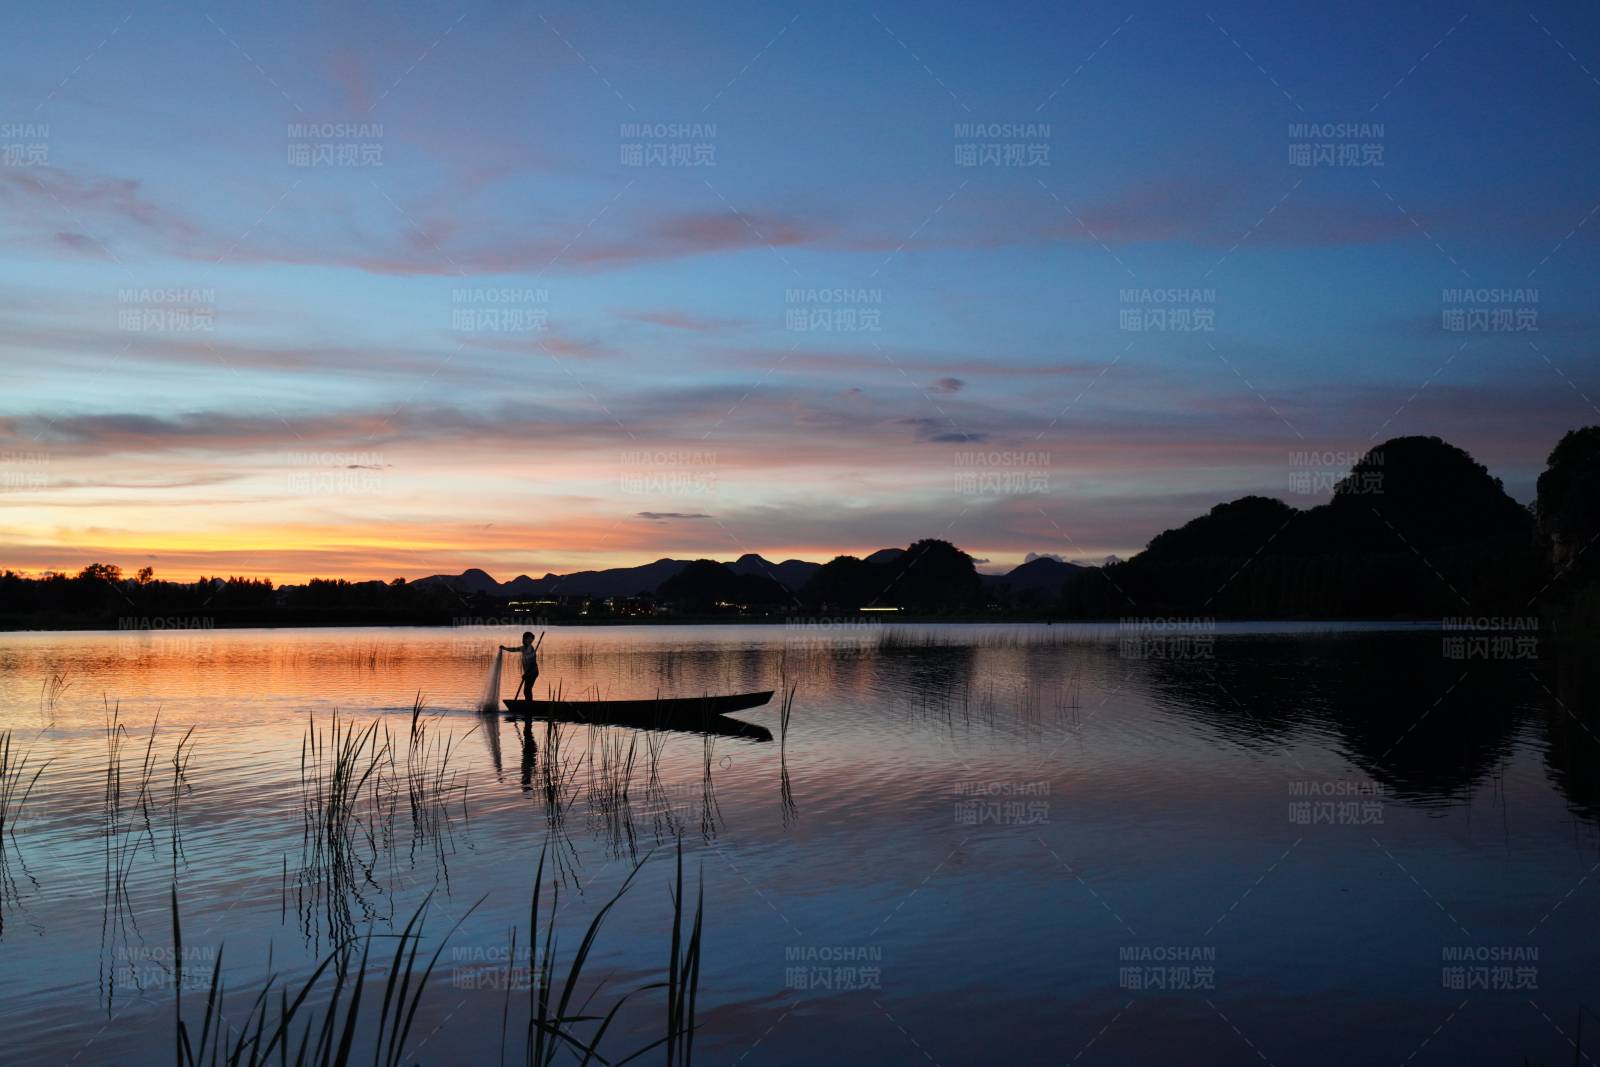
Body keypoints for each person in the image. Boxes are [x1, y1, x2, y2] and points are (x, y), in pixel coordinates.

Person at [499, 631, 541, 700]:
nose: (529, 640)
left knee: (527, 690)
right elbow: (514, 649)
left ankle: (529, 705)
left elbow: (533, 664)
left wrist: (526, 674)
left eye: (530, 639)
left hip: (533, 672)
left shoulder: (531, 649)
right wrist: (505, 648)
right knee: (526, 691)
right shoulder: (523, 648)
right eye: (525, 638)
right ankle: (528, 704)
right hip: (528, 672)